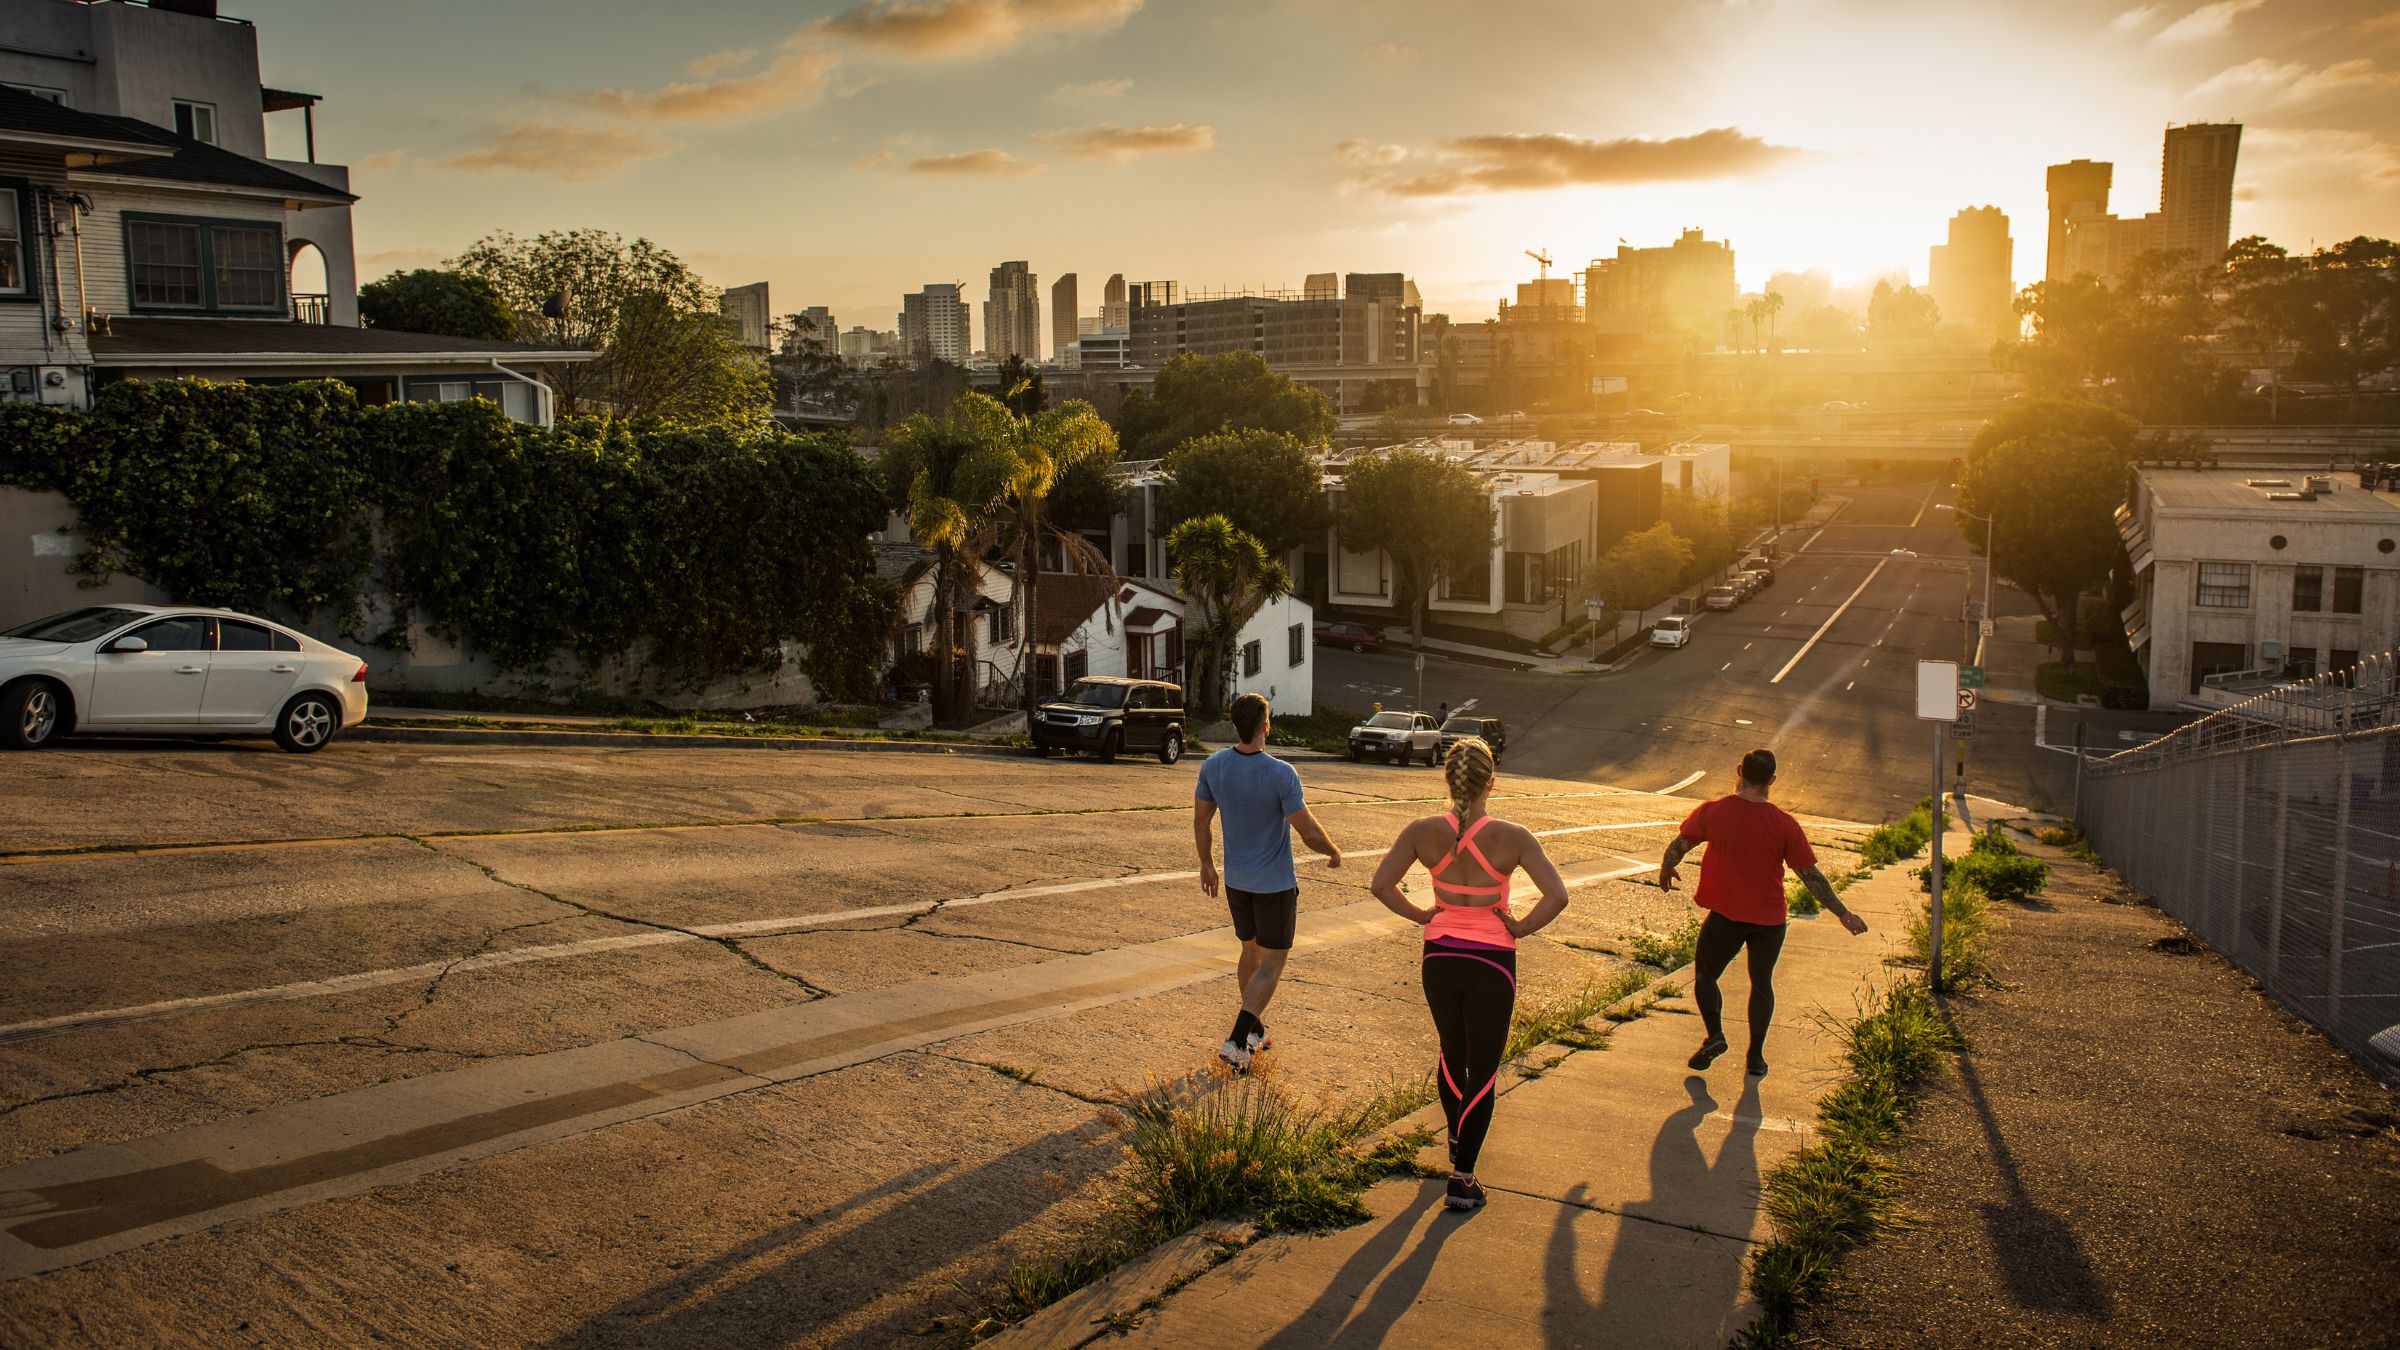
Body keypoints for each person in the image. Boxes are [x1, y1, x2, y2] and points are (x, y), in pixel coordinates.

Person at [1371, 737, 1570, 1212]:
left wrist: (1423, 915)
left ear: (1447, 779)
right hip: (1491, 961)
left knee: (1451, 1053)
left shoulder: (1422, 831)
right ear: (1491, 780)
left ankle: (1456, 1143)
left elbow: (1381, 884)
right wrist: (1519, 926)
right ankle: (1462, 1176)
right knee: (1483, 1066)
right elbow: (1557, 896)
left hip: (1439, 957)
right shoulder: (1513, 836)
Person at [1658, 749, 1868, 1079]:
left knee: (1705, 975)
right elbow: (1811, 876)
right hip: (1769, 921)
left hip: (1726, 916)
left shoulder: (1713, 812)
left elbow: (1680, 845)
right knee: (1761, 984)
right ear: (1771, 780)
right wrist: (1844, 914)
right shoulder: (1784, 824)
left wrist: (1667, 869)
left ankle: (1715, 1035)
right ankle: (1755, 1058)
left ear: (1739, 771)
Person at [1195, 693, 1342, 1072]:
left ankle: (1256, 1031)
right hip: (1273, 885)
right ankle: (1237, 1038)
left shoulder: (1214, 765)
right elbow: (1307, 830)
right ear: (1266, 725)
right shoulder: (1281, 773)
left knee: (1250, 953)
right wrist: (1333, 851)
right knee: (1273, 963)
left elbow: (1201, 821)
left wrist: (1206, 864)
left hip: (1237, 882)